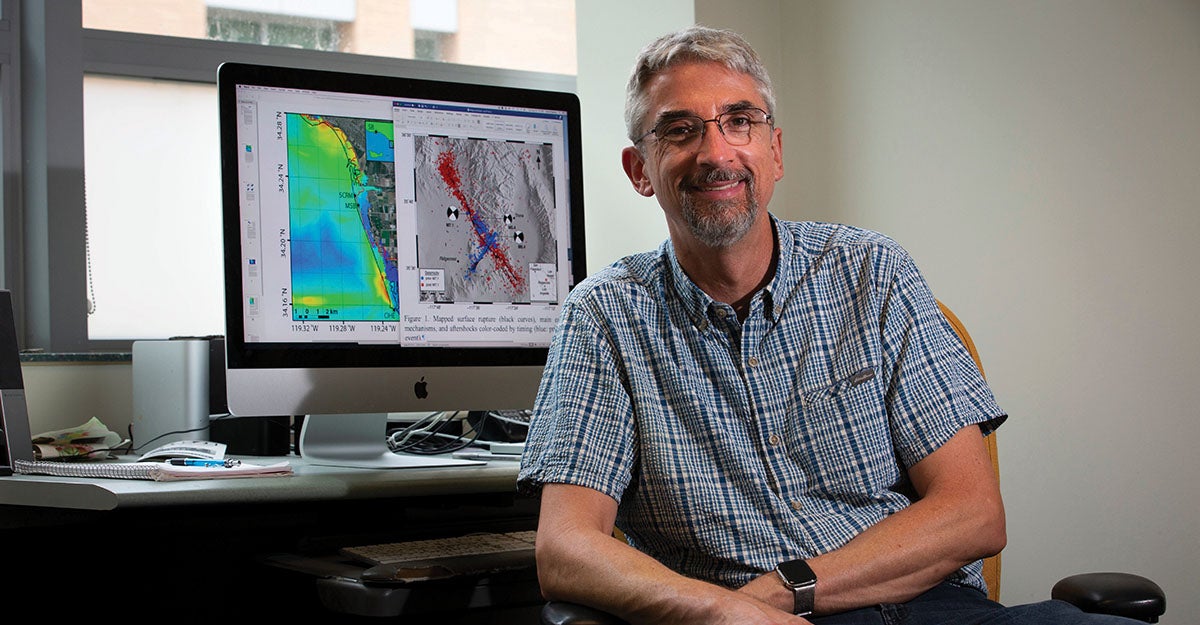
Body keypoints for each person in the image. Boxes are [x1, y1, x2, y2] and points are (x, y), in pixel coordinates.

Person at [518, 25, 1137, 625]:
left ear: (775, 151)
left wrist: (782, 591)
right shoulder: (604, 315)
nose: (715, 152)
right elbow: (566, 550)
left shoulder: (873, 271)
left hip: (936, 609)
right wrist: (721, 610)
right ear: (639, 170)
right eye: (679, 131)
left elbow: (974, 513)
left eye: (740, 121)